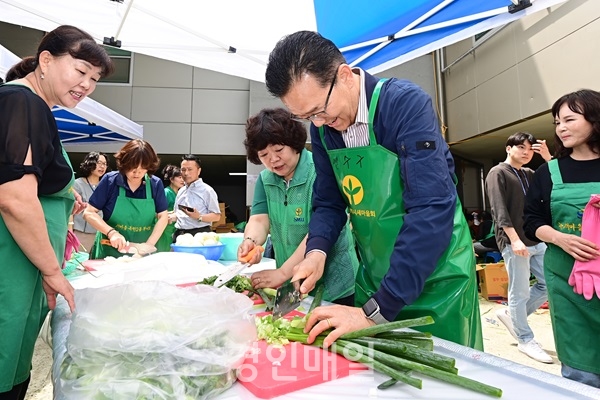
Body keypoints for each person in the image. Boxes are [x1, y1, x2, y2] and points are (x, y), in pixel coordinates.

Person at [264, 31, 482, 349]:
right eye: (306, 117)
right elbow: (328, 203)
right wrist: (316, 253)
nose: (319, 123)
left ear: (344, 76)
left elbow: (431, 208)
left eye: (319, 110)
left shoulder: (403, 104)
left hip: (438, 280)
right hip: (375, 277)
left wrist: (374, 313)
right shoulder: (324, 131)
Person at [0, 25, 113, 399]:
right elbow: (14, 198)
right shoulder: (22, 102)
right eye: (80, 71)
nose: (86, 85)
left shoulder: (36, 108)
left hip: (23, 266)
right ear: (45, 61)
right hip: (10, 266)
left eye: (94, 79)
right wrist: (52, 270)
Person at [240, 107, 359, 305]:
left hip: (334, 284)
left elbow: (319, 230)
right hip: (291, 282)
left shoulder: (320, 171)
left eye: (279, 150)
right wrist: (252, 241)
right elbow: (260, 219)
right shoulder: (265, 179)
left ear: (294, 143)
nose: (273, 160)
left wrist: (283, 272)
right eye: (264, 155)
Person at [524, 89, 600, 387]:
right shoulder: (548, 172)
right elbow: (531, 221)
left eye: (569, 119)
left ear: (594, 119)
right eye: (557, 122)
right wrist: (560, 238)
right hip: (568, 283)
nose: (561, 128)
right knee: (580, 369)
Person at [485, 132, 552, 364]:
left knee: (547, 284)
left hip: (536, 239)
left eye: (530, 149)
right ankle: (525, 339)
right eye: (521, 147)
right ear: (508, 148)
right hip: (515, 241)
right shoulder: (497, 173)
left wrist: (547, 157)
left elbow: (555, 184)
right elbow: (498, 210)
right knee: (520, 291)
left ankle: (514, 317)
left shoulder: (530, 174)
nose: (526, 152)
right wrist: (514, 239)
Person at [83, 139, 168, 259]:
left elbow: (163, 216)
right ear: (124, 163)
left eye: (143, 169)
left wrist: (148, 245)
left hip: (142, 253)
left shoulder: (155, 184)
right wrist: (111, 233)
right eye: (132, 168)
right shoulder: (110, 181)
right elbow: (89, 212)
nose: (137, 173)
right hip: (109, 250)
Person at [172, 155, 221, 241]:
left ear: (199, 171)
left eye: (190, 169)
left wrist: (199, 216)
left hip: (199, 235)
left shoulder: (207, 190)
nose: (186, 173)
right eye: (183, 170)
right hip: (179, 235)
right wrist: (169, 217)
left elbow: (216, 216)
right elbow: (178, 213)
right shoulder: (181, 191)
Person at [71, 151, 108, 252]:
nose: (102, 167)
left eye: (104, 164)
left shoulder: (106, 186)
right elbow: (71, 210)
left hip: (101, 233)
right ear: (90, 163)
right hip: (81, 233)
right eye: (99, 163)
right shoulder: (77, 184)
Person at [156, 164, 184, 251]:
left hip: (174, 228)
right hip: (165, 229)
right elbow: (158, 212)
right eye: (179, 177)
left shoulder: (180, 194)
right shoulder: (166, 192)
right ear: (171, 179)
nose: (182, 180)